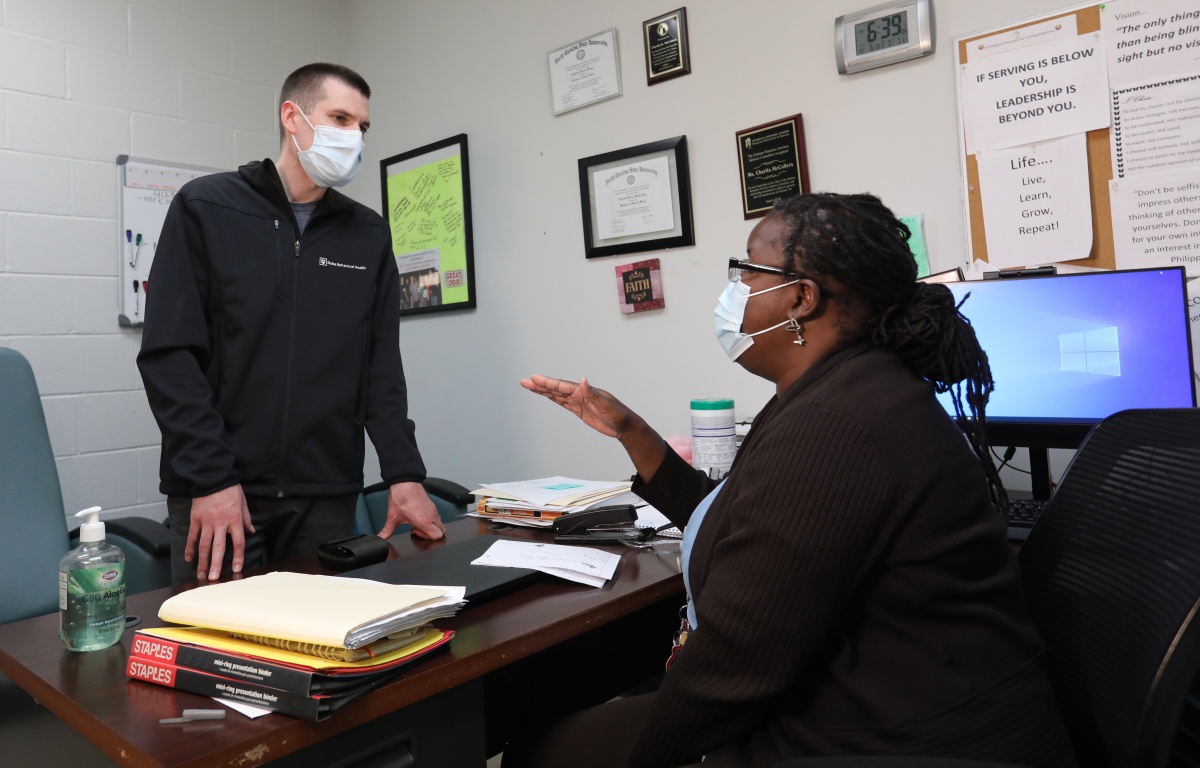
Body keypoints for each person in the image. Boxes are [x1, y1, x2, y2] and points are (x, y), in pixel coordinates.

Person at [510, 193, 1076, 767]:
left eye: (747, 270)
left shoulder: (839, 424)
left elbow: (738, 656)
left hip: (903, 740)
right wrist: (632, 430)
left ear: (801, 298)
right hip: (873, 703)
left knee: (546, 751)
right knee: (558, 734)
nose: (734, 291)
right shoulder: (843, 392)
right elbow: (742, 519)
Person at [138, 63, 444, 585]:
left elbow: (380, 368)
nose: (353, 136)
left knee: (319, 653)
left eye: (362, 127)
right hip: (220, 491)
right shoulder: (206, 206)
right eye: (340, 118)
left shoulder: (367, 234)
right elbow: (170, 356)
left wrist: (404, 473)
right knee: (224, 655)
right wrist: (209, 479)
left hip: (325, 496)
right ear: (293, 117)